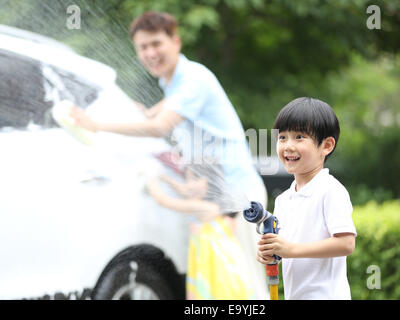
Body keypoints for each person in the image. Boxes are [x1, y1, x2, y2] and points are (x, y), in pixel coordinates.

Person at [70, 11, 268, 296]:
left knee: (247, 290)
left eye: (156, 44)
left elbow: (158, 127)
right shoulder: (173, 82)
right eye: (143, 47)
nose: (150, 53)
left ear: (175, 41)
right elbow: (160, 112)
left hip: (237, 198)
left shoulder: (193, 80)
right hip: (216, 201)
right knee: (223, 291)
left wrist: (95, 125)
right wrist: (143, 112)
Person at [257, 97, 357, 300]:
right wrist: (270, 253)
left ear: (326, 146)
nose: (288, 146)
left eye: (299, 137)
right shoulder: (283, 200)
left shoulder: (331, 190)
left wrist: (291, 250)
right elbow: (286, 248)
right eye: (282, 137)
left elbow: (346, 243)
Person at [146, 161, 259, 299]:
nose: (188, 185)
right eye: (187, 179)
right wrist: (165, 178)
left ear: (208, 181)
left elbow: (164, 201)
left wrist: (149, 179)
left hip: (216, 266)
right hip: (216, 263)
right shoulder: (216, 207)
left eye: (194, 179)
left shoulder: (205, 208)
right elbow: (183, 190)